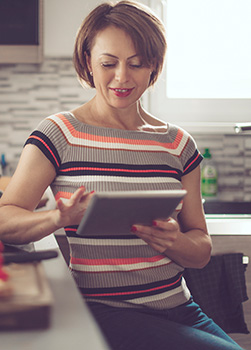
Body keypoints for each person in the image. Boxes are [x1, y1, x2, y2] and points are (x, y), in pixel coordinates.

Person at [0, 1, 245, 349]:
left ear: (153, 66)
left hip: (182, 307)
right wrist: (58, 217)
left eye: (136, 63)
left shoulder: (179, 145)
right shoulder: (59, 133)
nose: (121, 77)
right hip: (106, 312)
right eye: (108, 63)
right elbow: (4, 217)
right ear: (88, 62)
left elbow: (201, 249)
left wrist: (174, 241)